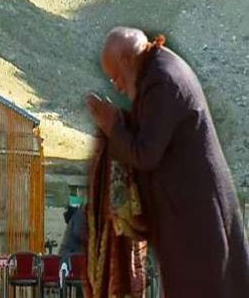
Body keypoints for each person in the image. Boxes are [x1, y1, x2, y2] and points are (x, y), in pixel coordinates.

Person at [86, 26, 249, 297]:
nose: (116, 85)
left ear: (126, 60)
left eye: (115, 76)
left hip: (198, 221)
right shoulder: (157, 71)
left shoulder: (162, 80)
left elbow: (145, 153)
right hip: (192, 219)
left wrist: (112, 124)